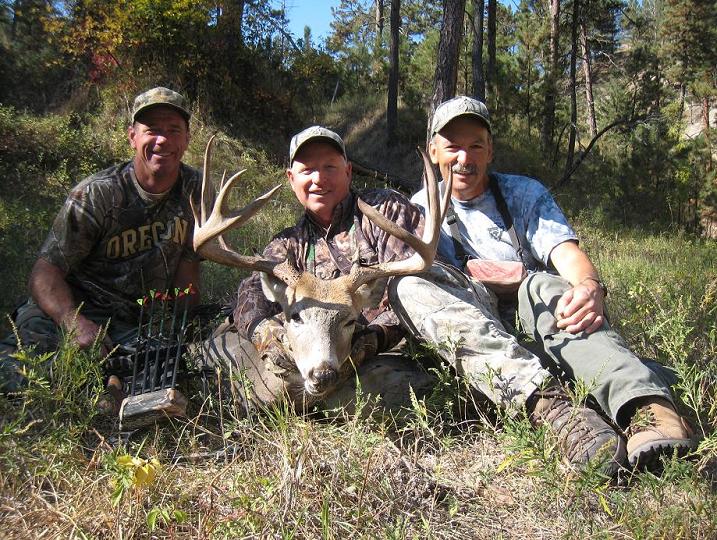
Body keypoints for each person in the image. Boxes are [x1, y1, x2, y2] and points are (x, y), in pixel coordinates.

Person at [388, 95, 696, 472]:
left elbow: (565, 254)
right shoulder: (416, 209)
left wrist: (587, 284)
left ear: (491, 151)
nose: (464, 159)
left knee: (546, 287)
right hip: (478, 333)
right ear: (434, 150)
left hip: (541, 320)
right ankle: (577, 404)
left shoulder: (522, 193)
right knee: (409, 290)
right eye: (452, 146)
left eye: (476, 146)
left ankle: (648, 409)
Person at [202, 126, 435, 414]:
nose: (318, 179)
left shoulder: (384, 211)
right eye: (307, 169)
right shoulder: (288, 244)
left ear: (348, 171)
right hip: (312, 357)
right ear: (291, 179)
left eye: (329, 167)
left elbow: (419, 283)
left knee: (382, 389)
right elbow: (252, 289)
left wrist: (371, 338)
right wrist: (265, 333)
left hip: (381, 350)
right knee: (268, 383)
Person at [0, 87, 201, 402]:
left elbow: (188, 270)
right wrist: (75, 323)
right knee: (33, 379)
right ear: (132, 136)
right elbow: (44, 273)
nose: (162, 140)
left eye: (173, 130)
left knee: (169, 374)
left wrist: (185, 325)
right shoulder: (98, 194)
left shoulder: (196, 192)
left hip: (136, 322)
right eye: (152, 131)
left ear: (187, 139)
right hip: (76, 308)